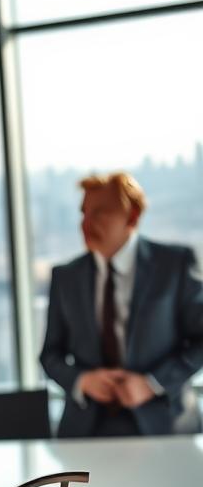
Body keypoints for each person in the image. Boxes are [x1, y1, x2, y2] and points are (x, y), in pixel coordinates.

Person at [41, 172, 203, 437]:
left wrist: (153, 384)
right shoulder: (65, 277)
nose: (86, 223)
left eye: (99, 213)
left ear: (132, 216)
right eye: (83, 213)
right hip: (86, 430)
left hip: (165, 425)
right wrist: (83, 381)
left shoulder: (175, 265)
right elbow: (50, 355)